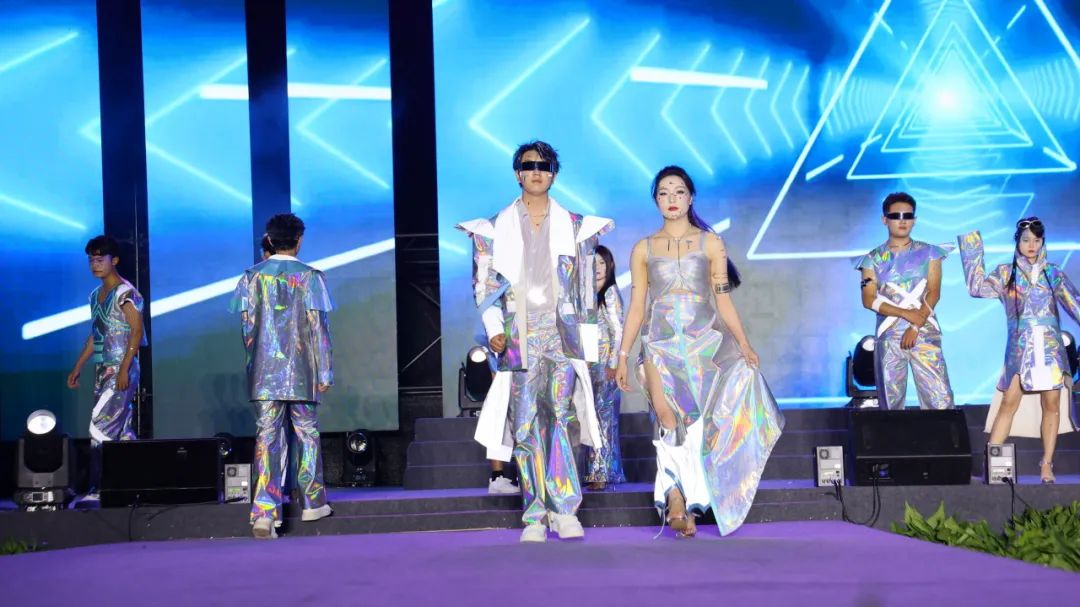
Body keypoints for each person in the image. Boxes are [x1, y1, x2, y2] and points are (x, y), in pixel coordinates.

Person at [615, 165, 783, 538]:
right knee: (666, 419)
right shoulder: (643, 248)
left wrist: (744, 343)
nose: (671, 199)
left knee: (697, 428)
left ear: (690, 197)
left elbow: (722, 300)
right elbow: (637, 306)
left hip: (706, 346)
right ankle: (675, 498)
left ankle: (684, 501)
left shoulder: (710, 243)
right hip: (658, 346)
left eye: (678, 191)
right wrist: (623, 355)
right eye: (663, 193)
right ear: (655, 200)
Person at [459, 140, 613, 542]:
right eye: (529, 165)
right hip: (518, 332)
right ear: (517, 173)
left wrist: (588, 342)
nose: (536, 172)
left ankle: (565, 509)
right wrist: (494, 326)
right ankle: (534, 514)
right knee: (525, 423)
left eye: (544, 166)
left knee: (561, 416)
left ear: (554, 174)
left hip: (562, 331)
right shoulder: (493, 228)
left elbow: (585, 290)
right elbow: (484, 283)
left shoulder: (577, 226)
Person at [231, 214, 334, 538]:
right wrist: (325, 370)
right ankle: (312, 502)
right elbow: (318, 328)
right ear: (299, 240)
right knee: (307, 433)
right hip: (302, 370)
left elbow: (247, 329)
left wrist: (257, 365)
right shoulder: (311, 277)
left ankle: (264, 513)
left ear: (270, 240)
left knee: (266, 439)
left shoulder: (251, 277)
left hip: (265, 373)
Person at [958, 217, 1080, 483]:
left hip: (1050, 347)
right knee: (1009, 402)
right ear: (1018, 242)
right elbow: (976, 288)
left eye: (1036, 240)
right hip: (1020, 346)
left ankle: (1046, 464)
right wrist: (971, 246)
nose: (1031, 245)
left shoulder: (1053, 273)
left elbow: (1076, 306)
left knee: (1051, 404)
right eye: (1026, 240)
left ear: (1043, 242)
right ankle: (992, 463)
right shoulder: (1006, 273)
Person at [855, 192, 955, 410]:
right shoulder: (871, 259)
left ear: (914, 220)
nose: (902, 221)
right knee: (890, 404)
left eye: (908, 216)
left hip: (924, 331)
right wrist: (905, 314)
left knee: (940, 400)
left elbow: (934, 292)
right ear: (885, 220)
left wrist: (915, 325)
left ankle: (942, 435)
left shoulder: (930, 253)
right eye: (896, 216)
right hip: (889, 336)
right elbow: (868, 299)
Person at [66, 235, 146, 499]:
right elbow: (96, 334)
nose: (95, 265)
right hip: (103, 368)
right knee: (121, 430)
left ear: (115, 260)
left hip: (121, 366)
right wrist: (78, 366)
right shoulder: (95, 296)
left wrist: (124, 368)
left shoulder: (126, 293)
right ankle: (132, 485)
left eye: (100, 260)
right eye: (91, 260)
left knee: (100, 426)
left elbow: (136, 330)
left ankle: (99, 487)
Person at [583, 245, 626, 490]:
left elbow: (618, 330)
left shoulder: (610, 293)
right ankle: (600, 470)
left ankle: (601, 471)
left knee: (604, 419)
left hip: (605, 366)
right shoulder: (587, 295)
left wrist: (613, 364)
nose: (598, 268)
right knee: (593, 419)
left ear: (610, 266)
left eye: (602, 263)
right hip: (589, 365)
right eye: (593, 263)